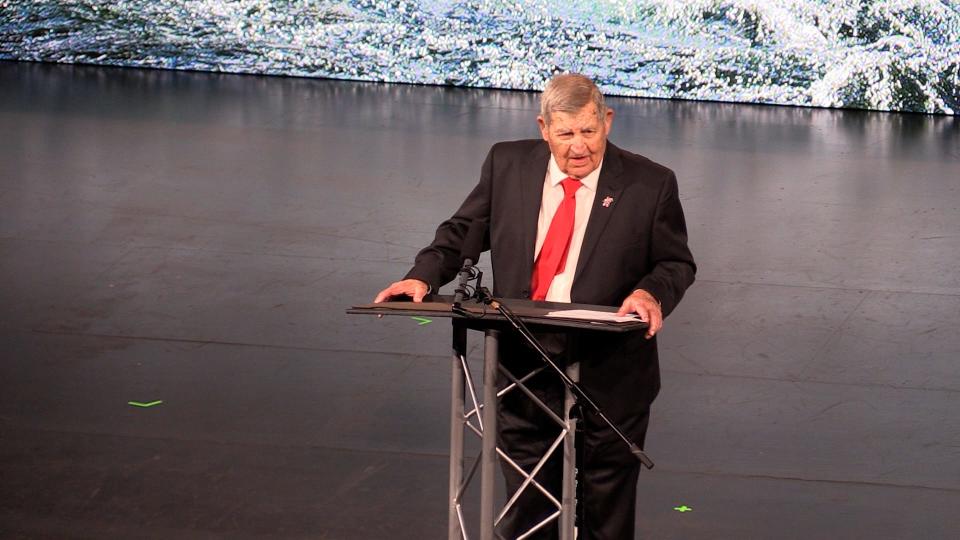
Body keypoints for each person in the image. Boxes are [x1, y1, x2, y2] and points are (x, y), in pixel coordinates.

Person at [374, 73, 695, 539]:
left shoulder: (650, 184)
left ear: (607, 121)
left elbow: (674, 261)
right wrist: (422, 275)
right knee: (527, 508)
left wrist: (650, 293)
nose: (579, 147)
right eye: (565, 134)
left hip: (610, 372)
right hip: (523, 364)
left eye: (589, 131)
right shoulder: (508, 164)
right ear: (543, 128)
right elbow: (461, 232)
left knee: (605, 511)